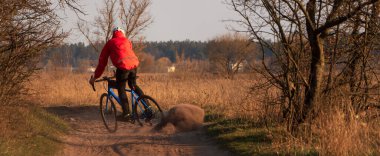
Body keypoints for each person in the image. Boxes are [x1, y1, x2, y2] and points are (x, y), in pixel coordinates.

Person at [89, 27, 144, 120]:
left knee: (121, 88)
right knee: (133, 85)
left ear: (113, 34)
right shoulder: (127, 41)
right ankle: (148, 108)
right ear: (123, 33)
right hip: (134, 66)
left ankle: (126, 114)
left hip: (123, 67)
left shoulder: (110, 43)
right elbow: (125, 54)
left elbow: (102, 62)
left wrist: (95, 77)